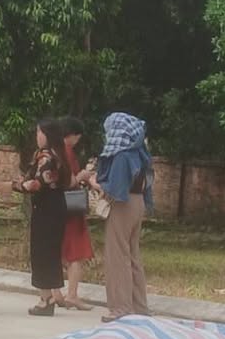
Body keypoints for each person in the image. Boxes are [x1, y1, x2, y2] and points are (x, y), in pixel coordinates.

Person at [83, 112, 153, 323]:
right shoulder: (139, 152)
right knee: (132, 255)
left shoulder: (122, 155)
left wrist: (93, 182)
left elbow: (114, 188)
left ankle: (120, 308)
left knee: (117, 256)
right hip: (138, 202)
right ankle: (139, 306)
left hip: (123, 205)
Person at [15, 118, 71, 316]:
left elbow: (36, 184)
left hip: (47, 209)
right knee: (48, 251)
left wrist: (14, 186)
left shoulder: (47, 158)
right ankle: (48, 296)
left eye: (39, 132)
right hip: (54, 207)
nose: (37, 136)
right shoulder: (57, 154)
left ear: (48, 135)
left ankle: (46, 299)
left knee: (43, 252)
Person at [60, 116, 93, 310]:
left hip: (59, 209)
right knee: (76, 252)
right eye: (77, 136)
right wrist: (82, 176)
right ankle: (72, 294)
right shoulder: (67, 152)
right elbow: (68, 180)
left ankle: (57, 293)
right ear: (71, 134)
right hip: (71, 209)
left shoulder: (55, 150)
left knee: (61, 251)